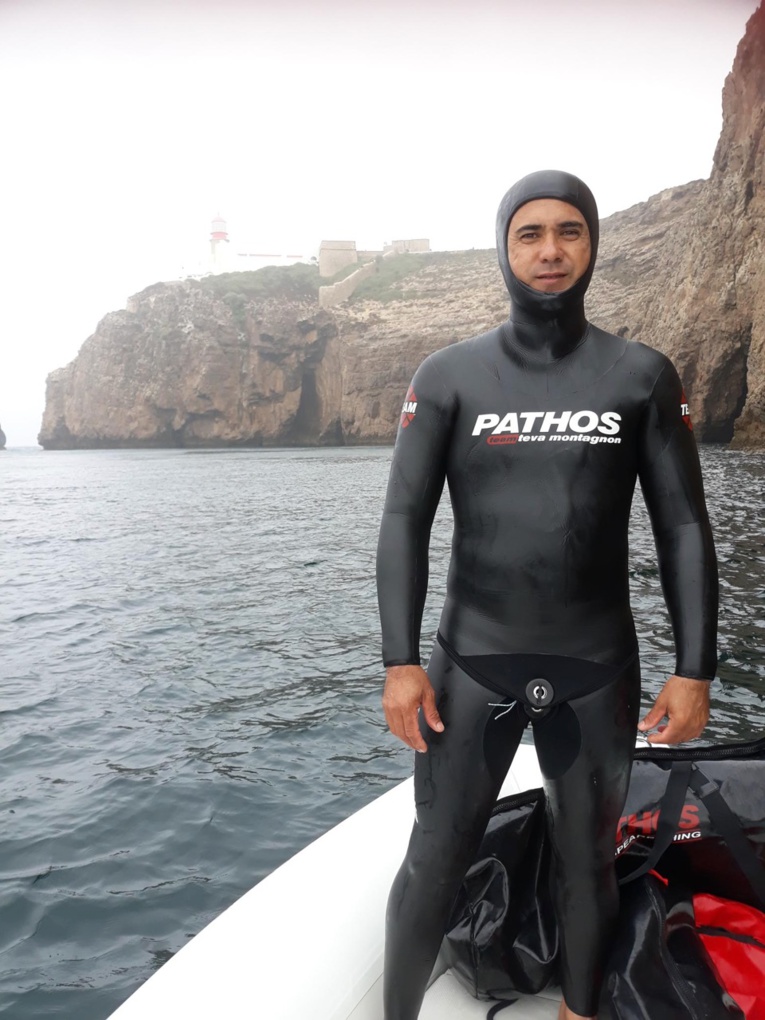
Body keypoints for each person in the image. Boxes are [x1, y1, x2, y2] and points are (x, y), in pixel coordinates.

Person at [375, 169, 718, 1020]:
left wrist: (694, 669)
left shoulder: (639, 375)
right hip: (472, 661)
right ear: (504, 247)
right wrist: (399, 662)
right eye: (529, 234)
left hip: (595, 664)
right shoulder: (450, 375)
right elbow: (403, 519)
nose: (550, 250)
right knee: (434, 857)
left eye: (569, 231)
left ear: (592, 243)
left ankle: (575, 1013)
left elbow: (681, 526)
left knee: (587, 859)